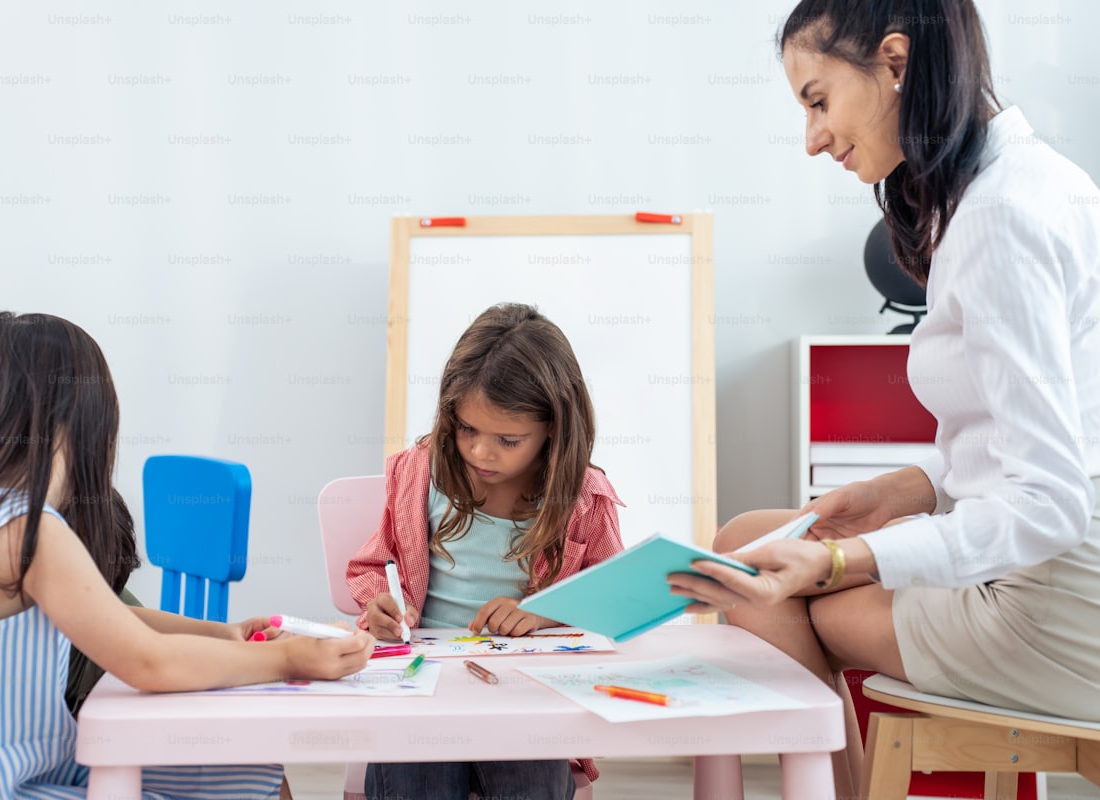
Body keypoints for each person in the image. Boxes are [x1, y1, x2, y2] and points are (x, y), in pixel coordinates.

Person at [666, 1, 1100, 798]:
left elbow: (1050, 506)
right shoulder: (1033, 178)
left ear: (895, 64)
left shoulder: (1001, 217)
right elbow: (1044, 429)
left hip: (1059, 604)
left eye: (817, 100)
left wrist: (838, 559)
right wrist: (901, 491)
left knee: (758, 592)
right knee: (743, 540)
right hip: (1047, 558)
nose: (813, 138)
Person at [0, 312, 375, 800]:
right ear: (84, 421)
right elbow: (148, 663)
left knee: (251, 771)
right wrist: (288, 659)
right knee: (251, 780)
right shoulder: (26, 529)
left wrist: (224, 633)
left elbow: (114, 618)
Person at [346, 302, 624, 800]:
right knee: (415, 774)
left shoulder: (584, 497)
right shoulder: (418, 473)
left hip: (526, 687)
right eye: (467, 429)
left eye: (508, 439)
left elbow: (614, 598)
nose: (480, 452)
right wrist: (380, 606)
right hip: (423, 682)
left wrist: (544, 613)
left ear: (555, 429)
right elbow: (372, 566)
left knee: (531, 773)